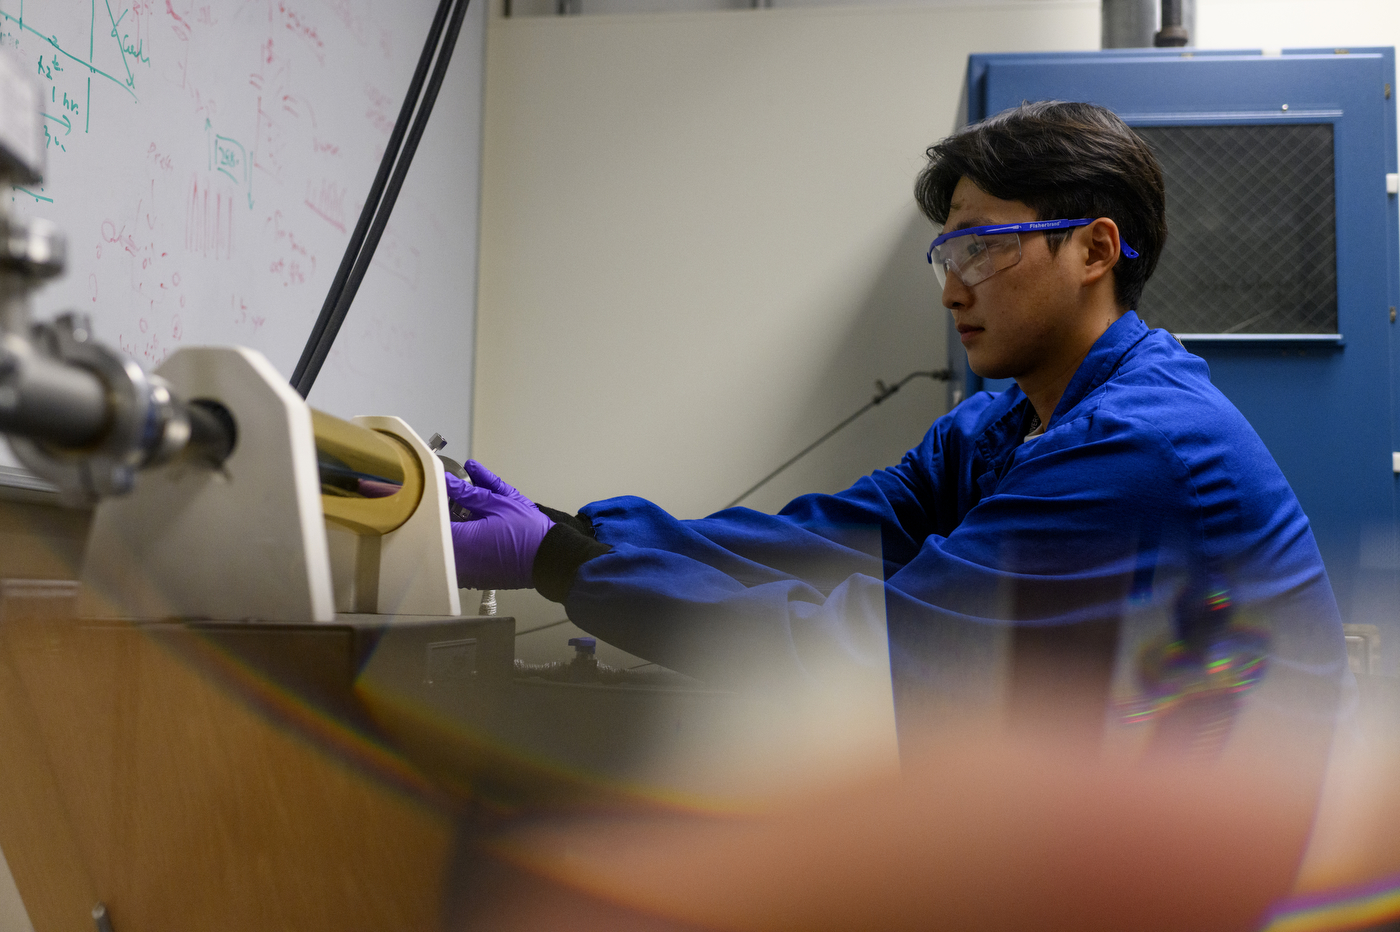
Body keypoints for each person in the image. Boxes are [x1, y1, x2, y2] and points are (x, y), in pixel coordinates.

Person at [447, 101, 1347, 762]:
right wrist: (569, 529)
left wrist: (557, 566)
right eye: (946, 254)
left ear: (1096, 252)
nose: (954, 287)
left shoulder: (1136, 446)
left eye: (984, 248)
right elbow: (824, 541)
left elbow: (863, 655)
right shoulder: (1007, 420)